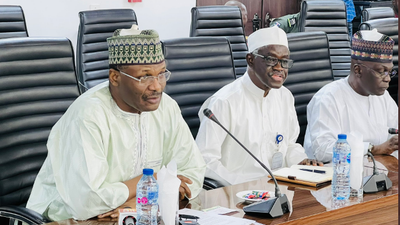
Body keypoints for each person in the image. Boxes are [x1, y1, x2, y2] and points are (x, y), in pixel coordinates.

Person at [26, 28, 206, 221]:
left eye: (162, 74)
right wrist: (153, 180)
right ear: (115, 77)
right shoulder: (88, 115)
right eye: (144, 77)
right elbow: (87, 202)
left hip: (134, 215)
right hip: (66, 219)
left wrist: (134, 203)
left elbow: (193, 171)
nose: (157, 86)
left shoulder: (167, 107)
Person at [196, 26, 322, 187]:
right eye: (271, 59)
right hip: (237, 196)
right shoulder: (224, 102)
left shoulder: (285, 96)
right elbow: (205, 160)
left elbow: (289, 144)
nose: (279, 68)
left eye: (284, 61)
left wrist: (302, 161)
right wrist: (241, 185)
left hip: (280, 189)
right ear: (250, 60)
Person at [304, 29, 398, 163]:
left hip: (378, 174)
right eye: (381, 71)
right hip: (336, 178)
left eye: (389, 72)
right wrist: (372, 149)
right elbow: (322, 151)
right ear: (358, 70)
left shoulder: (383, 97)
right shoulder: (328, 98)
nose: (388, 79)